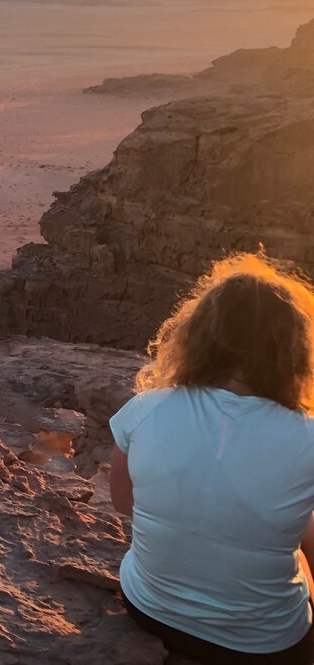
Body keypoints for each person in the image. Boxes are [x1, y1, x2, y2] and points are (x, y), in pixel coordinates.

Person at [108, 253, 314, 664]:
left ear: (196, 337)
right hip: (264, 645)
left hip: (149, 609)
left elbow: (124, 503)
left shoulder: (145, 409)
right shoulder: (306, 437)